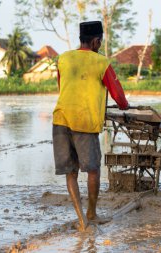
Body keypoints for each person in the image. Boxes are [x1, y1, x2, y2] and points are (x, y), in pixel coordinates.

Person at [52, 21, 129, 231]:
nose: (100, 44)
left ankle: (81, 219)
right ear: (96, 40)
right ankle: (91, 214)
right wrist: (124, 106)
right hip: (85, 123)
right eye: (100, 41)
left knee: (71, 172)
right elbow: (119, 96)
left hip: (60, 120)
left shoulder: (63, 59)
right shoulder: (101, 62)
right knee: (93, 170)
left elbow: (62, 87)